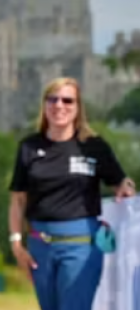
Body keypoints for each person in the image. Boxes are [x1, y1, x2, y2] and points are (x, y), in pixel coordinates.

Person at [8, 76, 135, 310]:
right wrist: (16, 244)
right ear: (44, 105)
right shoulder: (29, 147)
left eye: (67, 101)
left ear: (78, 108)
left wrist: (125, 186)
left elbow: (119, 180)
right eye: (53, 99)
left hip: (81, 246)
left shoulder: (93, 146)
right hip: (40, 247)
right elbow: (18, 199)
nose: (59, 106)